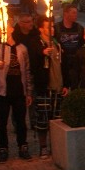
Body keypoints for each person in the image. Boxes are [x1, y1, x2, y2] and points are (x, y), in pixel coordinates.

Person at [0, 27, 33, 162]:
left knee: (21, 121)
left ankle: (23, 146)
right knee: (2, 122)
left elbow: (27, 70)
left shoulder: (22, 48)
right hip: (2, 91)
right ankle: (3, 148)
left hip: (19, 90)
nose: (2, 31)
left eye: (5, 28)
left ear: (12, 29)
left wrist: (28, 92)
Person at [30, 16, 66, 159]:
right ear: (41, 29)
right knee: (43, 120)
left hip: (58, 86)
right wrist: (42, 53)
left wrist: (66, 84)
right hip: (45, 87)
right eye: (48, 27)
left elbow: (63, 65)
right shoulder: (36, 43)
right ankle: (43, 147)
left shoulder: (57, 44)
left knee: (57, 119)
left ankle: (56, 146)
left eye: (52, 27)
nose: (51, 29)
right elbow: (34, 58)